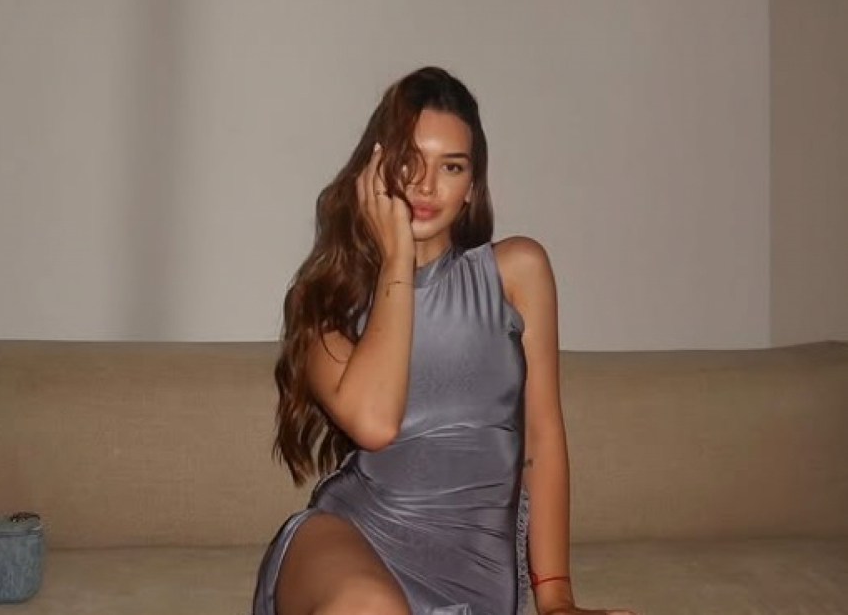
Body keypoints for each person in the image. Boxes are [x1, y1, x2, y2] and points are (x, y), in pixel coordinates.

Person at [252, 66, 633, 615]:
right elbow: (375, 423)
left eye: (451, 166)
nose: (426, 186)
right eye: (410, 161)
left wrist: (556, 599)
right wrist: (397, 259)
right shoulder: (324, 307)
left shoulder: (516, 273)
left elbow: (542, 436)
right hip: (350, 542)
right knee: (370, 606)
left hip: (476, 579)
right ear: (376, 169)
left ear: (471, 187)